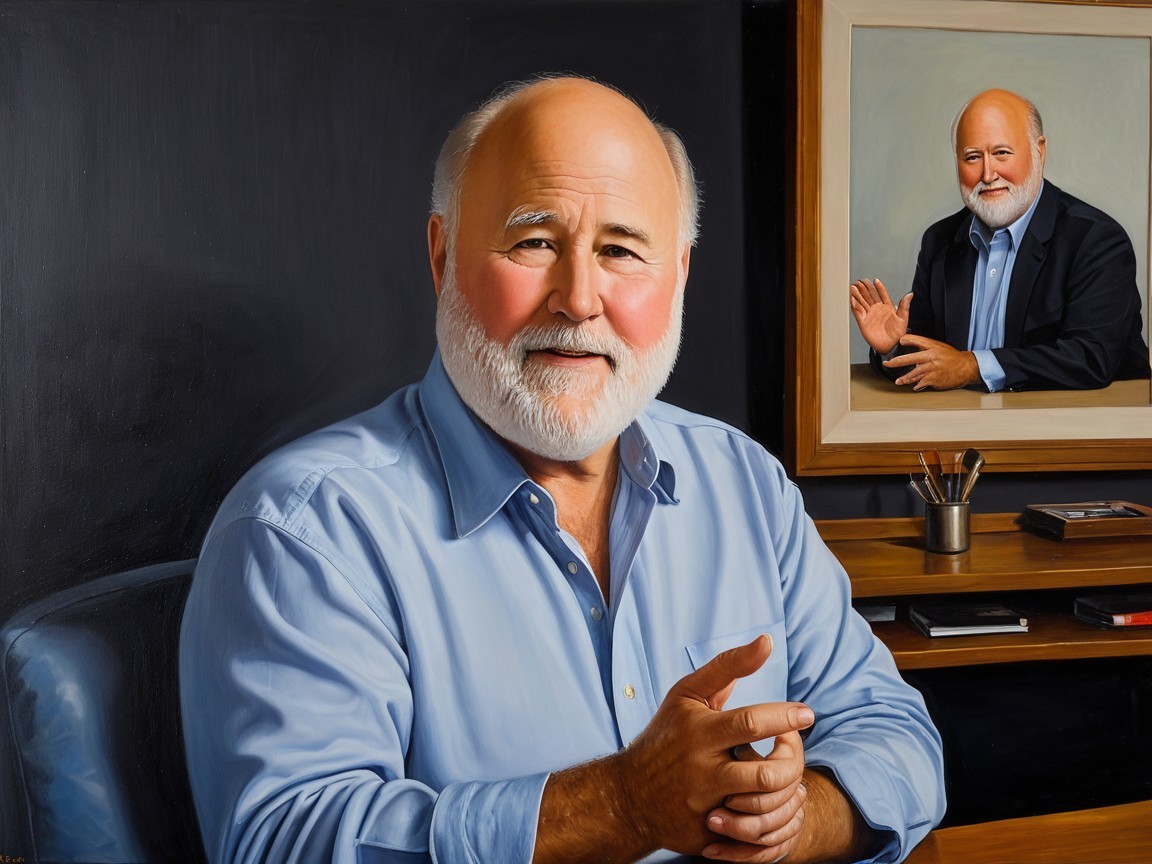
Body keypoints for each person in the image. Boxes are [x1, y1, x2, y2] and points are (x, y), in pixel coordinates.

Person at [180, 75, 944, 864]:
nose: (579, 298)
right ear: (442, 257)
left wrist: (789, 820)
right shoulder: (308, 529)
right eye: (534, 242)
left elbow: (895, 736)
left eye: (620, 250)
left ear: (679, 275)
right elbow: (286, 842)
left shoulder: (744, 483)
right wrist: (621, 805)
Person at [850, 88, 1151, 392]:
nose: (988, 173)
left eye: (1001, 153)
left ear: (1039, 151)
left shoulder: (1096, 240)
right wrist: (893, 347)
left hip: (1073, 428)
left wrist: (971, 366)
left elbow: (1091, 359)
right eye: (972, 157)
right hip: (962, 428)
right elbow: (932, 362)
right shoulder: (939, 241)